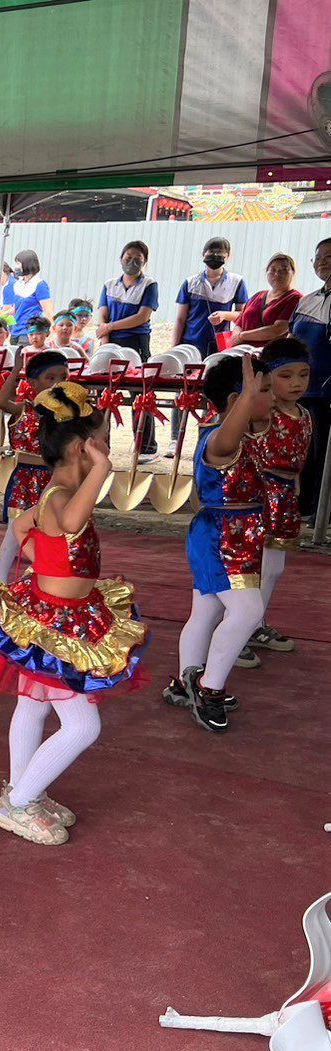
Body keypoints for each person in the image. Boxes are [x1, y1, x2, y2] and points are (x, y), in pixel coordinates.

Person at [0, 383, 147, 845]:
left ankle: (24, 787)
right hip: (57, 621)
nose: (106, 449)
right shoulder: (62, 498)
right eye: (101, 442)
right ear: (79, 447)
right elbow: (69, 523)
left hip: (69, 612)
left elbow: (28, 524)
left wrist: (27, 536)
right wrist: (103, 469)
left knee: (33, 703)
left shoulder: (56, 492)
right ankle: (19, 802)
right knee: (84, 724)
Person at [161, 353, 272, 734]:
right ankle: (210, 688)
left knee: (207, 612)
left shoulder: (241, 435)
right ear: (233, 402)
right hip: (222, 537)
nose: (270, 398)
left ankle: (182, 681)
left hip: (237, 535)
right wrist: (248, 397)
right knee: (246, 612)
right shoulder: (220, 440)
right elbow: (233, 429)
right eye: (264, 391)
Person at [244, 337, 312, 655]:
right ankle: (238, 627)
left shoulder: (305, 415)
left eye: (303, 374)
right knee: (251, 568)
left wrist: (295, 489)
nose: (297, 383)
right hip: (259, 495)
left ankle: (254, 625)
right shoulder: (262, 414)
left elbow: (299, 460)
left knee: (274, 568)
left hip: (285, 498)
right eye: (286, 376)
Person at [0, 351, 71, 579]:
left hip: (54, 479)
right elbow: (1, 402)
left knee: (54, 532)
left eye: (63, 377)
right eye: (50, 377)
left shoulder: (67, 414)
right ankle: (0, 581)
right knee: (13, 531)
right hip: (26, 479)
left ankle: (50, 576)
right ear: (33, 383)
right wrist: (16, 370)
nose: (58, 383)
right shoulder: (24, 409)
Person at [171, 238, 249, 460]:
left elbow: (243, 314)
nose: (215, 256)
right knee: (183, 391)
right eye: (211, 252)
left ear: (228, 256)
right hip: (191, 344)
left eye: (220, 253)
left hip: (219, 347)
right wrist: (175, 348)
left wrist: (225, 315)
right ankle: (175, 439)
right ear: (203, 254)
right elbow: (180, 318)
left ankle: (207, 435)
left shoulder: (237, 281)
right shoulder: (190, 282)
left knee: (214, 392)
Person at [96, 241, 159, 453]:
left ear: (145, 263)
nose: (132, 263)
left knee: (140, 395)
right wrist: (105, 342)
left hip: (136, 343)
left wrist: (110, 327)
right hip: (110, 342)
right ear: (120, 258)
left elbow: (142, 317)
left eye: (137, 260)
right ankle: (102, 444)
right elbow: (102, 315)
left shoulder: (149, 285)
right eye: (128, 258)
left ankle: (146, 447)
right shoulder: (109, 284)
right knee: (104, 394)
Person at [290, 237, 331, 517]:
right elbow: (292, 340)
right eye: (319, 258)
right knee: (301, 450)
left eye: (329, 257)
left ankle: (323, 509)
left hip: (326, 392)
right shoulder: (308, 301)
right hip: (301, 391)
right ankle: (304, 506)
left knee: (323, 453)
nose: (323, 262)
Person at [232, 254, 302, 348]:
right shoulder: (258, 295)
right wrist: (235, 337)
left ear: (293, 273)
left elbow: (277, 330)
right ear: (266, 272)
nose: (277, 274)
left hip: (268, 355)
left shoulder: (295, 298)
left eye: (284, 270)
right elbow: (240, 322)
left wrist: (241, 336)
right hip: (241, 352)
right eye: (273, 270)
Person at [7, 251, 52, 342]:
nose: (16, 267)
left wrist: (50, 333)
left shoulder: (39, 285)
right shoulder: (18, 284)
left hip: (29, 332)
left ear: (27, 265)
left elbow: (49, 312)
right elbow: (16, 308)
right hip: (15, 330)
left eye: (18, 264)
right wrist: (4, 314)